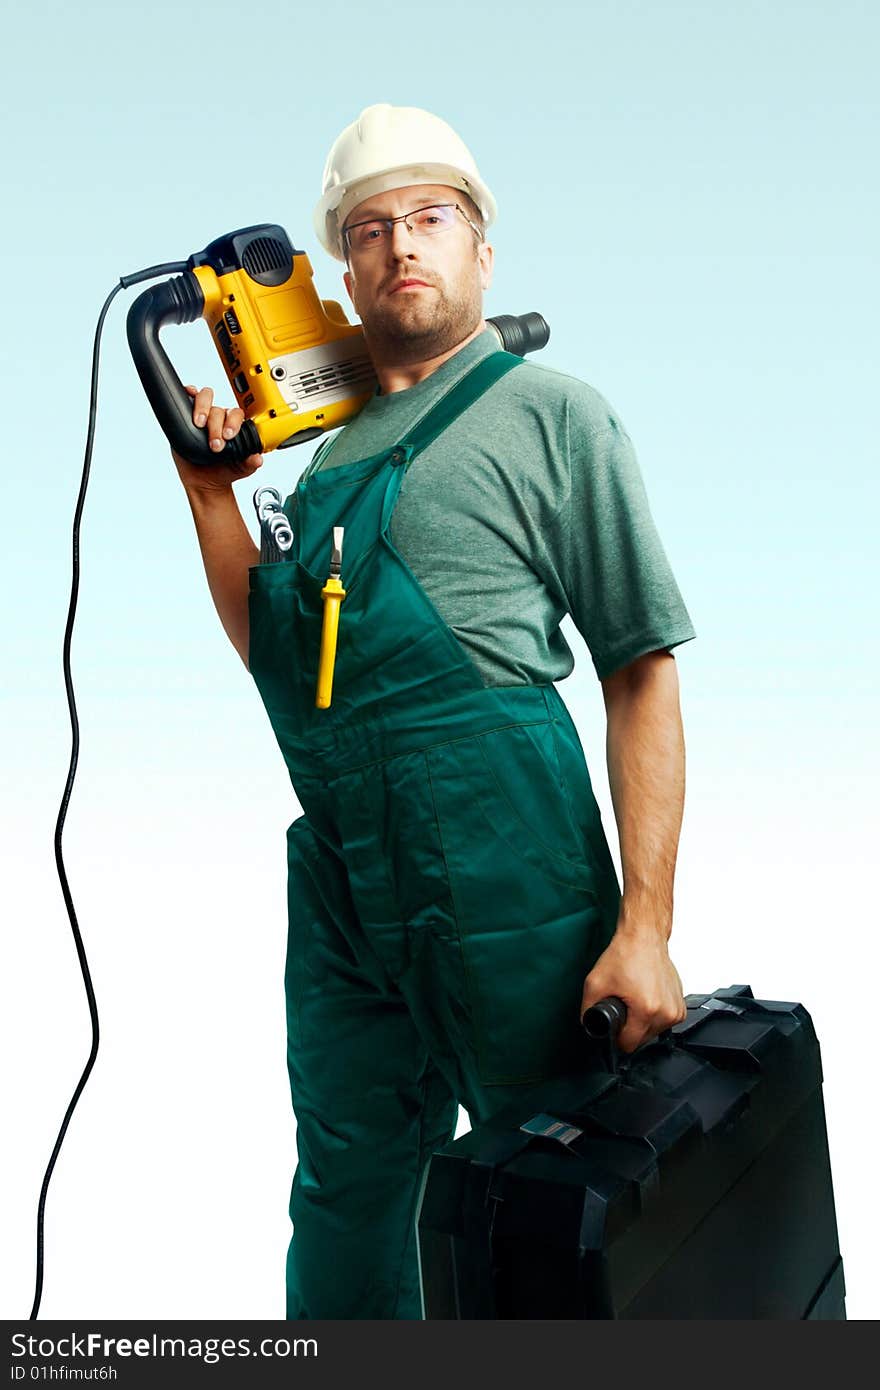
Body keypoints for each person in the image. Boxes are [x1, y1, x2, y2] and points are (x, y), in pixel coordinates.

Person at [171, 103, 697, 1320]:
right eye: (369, 228)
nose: (402, 242)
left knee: (546, 1180)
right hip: (347, 866)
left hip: (498, 853)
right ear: (342, 278)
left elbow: (641, 669)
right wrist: (211, 496)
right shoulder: (325, 449)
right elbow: (283, 659)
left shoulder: (553, 413)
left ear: (480, 252)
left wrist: (646, 922)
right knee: (351, 1189)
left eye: (430, 217)